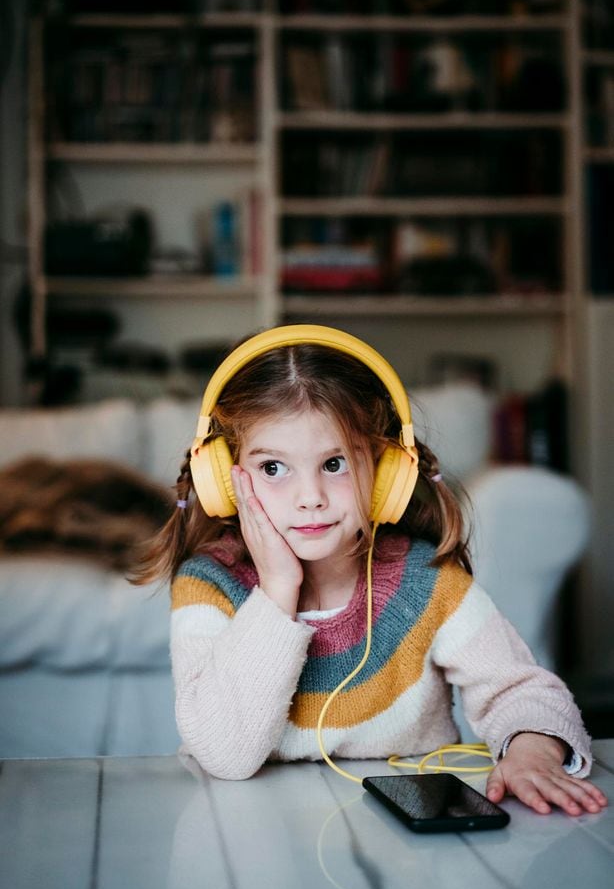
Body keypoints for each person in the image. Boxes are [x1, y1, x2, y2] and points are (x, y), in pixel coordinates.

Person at [134, 324, 607, 817]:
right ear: (224, 481)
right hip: (256, 839)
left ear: (385, 473)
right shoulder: (208, 585)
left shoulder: (426, 583)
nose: (311, 496)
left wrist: (532, 749)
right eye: (274, 468)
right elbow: (224, 756)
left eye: (335, 463)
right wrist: (277, 590)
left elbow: (519, 688)